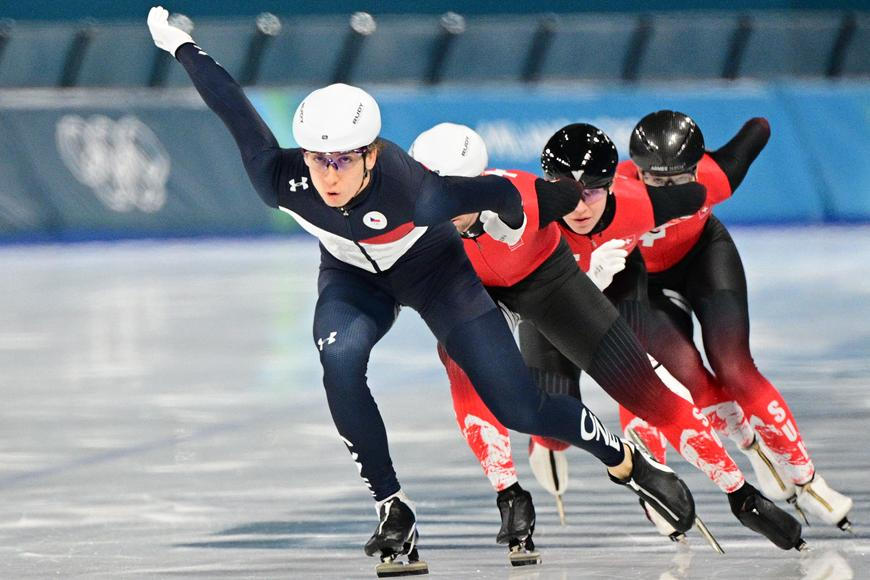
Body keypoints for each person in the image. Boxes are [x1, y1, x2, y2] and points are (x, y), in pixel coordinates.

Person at [146, 8, 696, 573]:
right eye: (316, 159)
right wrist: (182, 46)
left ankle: (627, 462)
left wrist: (565, 205)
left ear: (372, 155)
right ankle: (392, 509)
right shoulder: (277, 178)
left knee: (520, 407)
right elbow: (232, 106)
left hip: (434, 273)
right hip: (351, 278)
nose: (326, 176)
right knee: (338, 357)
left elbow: (507, 196)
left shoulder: (416, 191)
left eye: (341, 161)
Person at [410, 122, 806, 551]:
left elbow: (689, 194)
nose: (440, 205)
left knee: (647, 392)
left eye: (455, 193)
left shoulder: (553, 199)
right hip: (485, 293)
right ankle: (509, 494)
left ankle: (741, 494)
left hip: (550, 284)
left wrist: (704, 189)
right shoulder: (412, 217)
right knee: (464, 364)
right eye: (434, 193)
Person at [617, 110, 853, 533]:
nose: (669, 194)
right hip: (642, 282)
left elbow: (759, 127)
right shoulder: (609, 193)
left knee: (735, 367)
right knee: (687, 376)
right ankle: (750, 446)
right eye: (655, 181)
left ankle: (808, 479)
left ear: (697, 167)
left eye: (679, 182)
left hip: (705, 256)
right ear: (636, 171)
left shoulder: (718, 175)